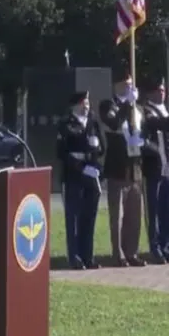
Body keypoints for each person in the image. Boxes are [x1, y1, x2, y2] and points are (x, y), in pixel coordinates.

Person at [97, 67, 146, 267]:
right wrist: (127, 104)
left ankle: (132, 251)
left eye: (130, 84)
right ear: (116, 86)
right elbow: (114, 123)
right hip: (117, 167)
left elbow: (146, 130)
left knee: (135, 214)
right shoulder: (108, 105)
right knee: (118, 215)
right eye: (125, 85)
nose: (129, 87)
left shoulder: (138, 108)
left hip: (135, 168)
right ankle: (118, 254)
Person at [56, 90, 103, 270]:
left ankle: (88, 256)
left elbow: (101, 147)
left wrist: (96, 157)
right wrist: (82, 166)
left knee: (88, 218)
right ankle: (74, 257)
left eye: (88, 103)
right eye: (84, 103)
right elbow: (62, 152)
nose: (87, 106)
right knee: (73, 218)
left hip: (91, 175)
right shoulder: (66, 123)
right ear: (75, 105)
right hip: (73, 176)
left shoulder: (93, 121)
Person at [140, 77, 169, 264]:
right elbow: (153, 127)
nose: (162, 93)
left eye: (163, 90)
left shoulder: (167, 111)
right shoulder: (145, 112)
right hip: (155, 169)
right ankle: (155, 247)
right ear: (149, 93)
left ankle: (167, 246)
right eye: (158, 90)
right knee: (155, 210)